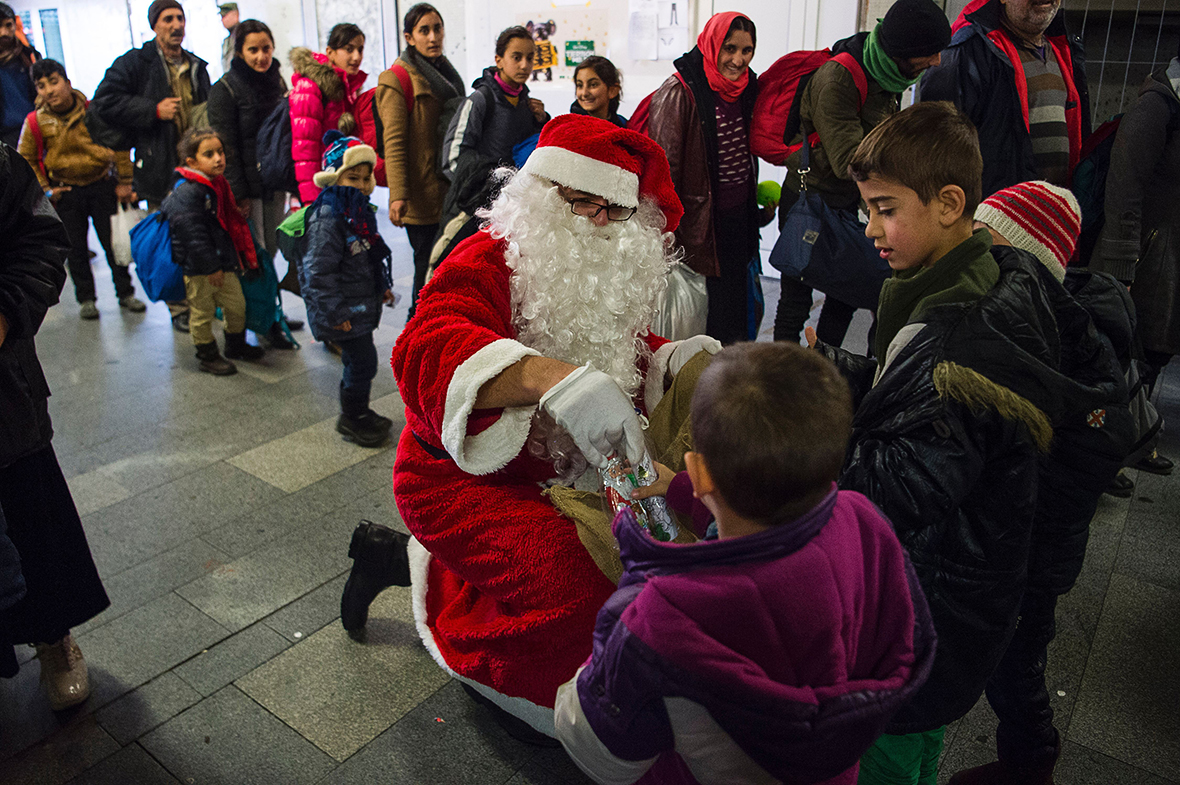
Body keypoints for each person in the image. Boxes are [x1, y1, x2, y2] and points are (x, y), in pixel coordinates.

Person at [343, 115, 720, 743]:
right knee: (585, 587)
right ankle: (514, 680)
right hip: (462, 479)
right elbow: (423, 349)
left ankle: (400, 560)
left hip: (573, 469)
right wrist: (549, 379)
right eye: (583, 203)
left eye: (616, 212)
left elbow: (615, 345)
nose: (600, 224)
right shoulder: (490, 255)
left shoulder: (607, 263)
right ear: (543, 193)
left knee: (653, 555)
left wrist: (667, 359)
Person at [813, 101, 1105, 783]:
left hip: (935, 592)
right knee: (917, 736)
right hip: (955, 584)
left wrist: (796, 437)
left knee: (890, 741)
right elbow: (904, 395)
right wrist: (834, 374)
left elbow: (903, 483)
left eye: (885, 208)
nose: (869, 228)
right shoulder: (965, 282)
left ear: (949, 204)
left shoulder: (957, 338)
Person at [552, 341, 936, 785]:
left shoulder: (657, 622)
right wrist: (686, 492)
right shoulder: (865, 521)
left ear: (700, 472)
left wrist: (626, 613)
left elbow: (600, 756)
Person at [946, 181, 1127, 785]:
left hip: (1034, 548)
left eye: (985, 239)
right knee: (1012, 658)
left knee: (1017, 664)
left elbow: (1070, 459)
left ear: (1026, 258)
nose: (973, 249)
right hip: (1024, 538)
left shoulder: (1061, 343)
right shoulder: (1039, 322)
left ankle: (1031, 766)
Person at [0, 142, 109, 710]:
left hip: (3, 400)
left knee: (29, 518)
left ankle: (52, 637)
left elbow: (40, 238)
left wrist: (6, 311)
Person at [773, 0, 950, 347]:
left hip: (851, 204)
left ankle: (827, 367)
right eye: (930, 52)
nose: (937, 61)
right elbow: (848, 162)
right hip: (810, 203)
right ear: (903, 49)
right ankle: (780, 370)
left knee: (846, 296)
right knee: (796, 298)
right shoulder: (838, 78)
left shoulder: (888, 75)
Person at [1088, 47, 1180, 478]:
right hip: (1144, 254)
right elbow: (1124, 185)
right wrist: (1122, 263)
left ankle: (1135, 440)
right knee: (1121, 355)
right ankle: (1104, 453)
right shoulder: (1158, 104)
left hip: (1168, 259)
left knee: (1153, 353)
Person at [647, 12, 766, 344]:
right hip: (699, 226)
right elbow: (664, 169)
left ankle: (733, 368)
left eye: (746, 50)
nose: (738, 60)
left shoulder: (747, 88)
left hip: (738, 219)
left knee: (735, 312)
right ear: (712, 45)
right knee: (707, 317)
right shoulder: (679, 90)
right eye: (730, 48)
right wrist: (666, 231)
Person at [93, 0, 211, 334]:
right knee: (171, 240)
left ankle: (204, 301)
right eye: (168, 19)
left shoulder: (197, 65)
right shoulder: (136, 63)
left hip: (198, 170)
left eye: (180, 18)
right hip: (161, 168)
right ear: (154, 26)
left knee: (202, 235)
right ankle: (179, 307)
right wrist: (152, 110)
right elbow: (104, 101)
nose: (176, 25)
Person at [18, 59, 147, 319]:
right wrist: (45, 190)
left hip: (102, 186)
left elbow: (119, 144)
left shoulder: (94, 111)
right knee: (75, 250)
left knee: (113, 244)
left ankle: (126, 293)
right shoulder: (35, 122)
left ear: (67, 82)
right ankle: (86, 299)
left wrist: (125, 181)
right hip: (66, 193)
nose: (49, 90)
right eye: (41, 86)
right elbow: (25, 159)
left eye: (53, 82)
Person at [920, 0, 1090, 197]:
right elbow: (935, 150)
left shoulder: (1064, 51)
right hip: (992, 209)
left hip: (1052, 207)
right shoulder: (967, 51)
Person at [290, 132, 395, 447]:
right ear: (333, 178)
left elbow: (369, 256)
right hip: (343, 309)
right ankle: (351, 417)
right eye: (352, 177)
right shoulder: (328, 216)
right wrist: (335, 313)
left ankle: (358, 412)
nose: (361, 185)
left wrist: (382, 286)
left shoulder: (357, 213)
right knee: (363, 361)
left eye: (365, 178)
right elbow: (317, 271)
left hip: (358, 304)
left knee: (359, 362)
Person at [206, 17, 299, 349]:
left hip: (273, 183)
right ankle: (263, 321)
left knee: (271, 250)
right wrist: (238, 194)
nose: (262, 56)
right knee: (255, 256)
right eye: (253, 50)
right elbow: (225, 147)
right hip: (247, 190)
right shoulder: (225, 89)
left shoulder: (276, 80)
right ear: (239, 52)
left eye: (266, 49)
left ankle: (270, 313)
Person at [376, 3, 466, 320]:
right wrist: (398, 195)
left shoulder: (446, 74)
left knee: (443, 266)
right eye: (424, 30)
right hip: (421, 193)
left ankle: (439, 325)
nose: (433, 37)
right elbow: (395, 142)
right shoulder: (397, 79)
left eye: (437, 28)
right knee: (425, 268)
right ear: (409, 37)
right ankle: (416, 328)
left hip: (447, 189)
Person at [434, 25, 549, 259]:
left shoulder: (528, 105)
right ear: (499, 60)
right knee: (447, 263)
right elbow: (452, 158)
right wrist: (480, 191)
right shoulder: (480, 100)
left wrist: (542, 120)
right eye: (516, 57)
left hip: (510, 211)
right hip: (471, 209)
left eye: (530, 58)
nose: (524, 65)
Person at [161, 127, 264, 375]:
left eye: (220, 152)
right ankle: (207, 356)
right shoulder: (188, 191)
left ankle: (235, 345)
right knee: (202, 312)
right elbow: (192, 235)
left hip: (222, 261)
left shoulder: (215, 184)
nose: (218, 158)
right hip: (200, 268)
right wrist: (210, 267)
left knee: (236, 305)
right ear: (192, 162)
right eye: (209, 154)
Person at [289, 23, 367, 206]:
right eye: (349, 49)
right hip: (321, 190)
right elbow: (305, 151)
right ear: (330, 52)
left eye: (360, 49)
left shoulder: (349, 88)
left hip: (342, 187)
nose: (356, 57)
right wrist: (312, 200)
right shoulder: (309, 87)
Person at [0, 3, 37, 148]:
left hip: (34, 129)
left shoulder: (29, 56)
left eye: (8, 25)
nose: (3, 32)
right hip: (4, 136)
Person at [570, 55, 627, 127]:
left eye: (593, 85)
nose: (584, 93)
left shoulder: (623, 125)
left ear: (613, 91)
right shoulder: (567, 127)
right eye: (580, 85)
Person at [218, 3, 238, 73]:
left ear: (235, 14)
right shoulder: (226, 41)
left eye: (224, 16)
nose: (222, 20)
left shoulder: (244, 37)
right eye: (221, 17)